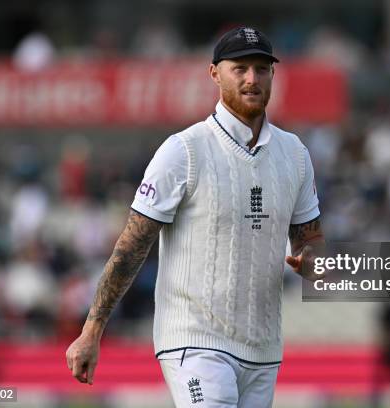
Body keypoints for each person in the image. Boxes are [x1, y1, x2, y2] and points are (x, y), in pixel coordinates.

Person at [66, 26, 325, 407]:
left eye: (261, 68)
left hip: (263, 347)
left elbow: (311, 241)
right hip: (194, 341)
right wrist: (92, 329)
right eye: (240, 68)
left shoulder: (295, 154)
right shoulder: (183, 150)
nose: (252, 78)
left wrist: (311, 262)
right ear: (214, 74)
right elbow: (132, 245)